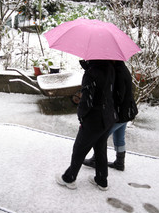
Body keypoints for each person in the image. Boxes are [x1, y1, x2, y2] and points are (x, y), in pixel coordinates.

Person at [55, 60, 117, 191]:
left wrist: (81, 116)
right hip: (108, 117)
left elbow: (86, 100)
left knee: (79, 149)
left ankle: (69, 178)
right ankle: (101, 180)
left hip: (94, 119)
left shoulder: (91, 73)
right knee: (100, 148)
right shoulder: (111, 67)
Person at [83, 61, 136, 171]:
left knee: (101, 137)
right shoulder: (123, 68)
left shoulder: (117, 72)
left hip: (119, 113)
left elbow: (118, 96)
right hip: (127, 111)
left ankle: (96, 160)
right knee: (119, 137)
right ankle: (120, 163)